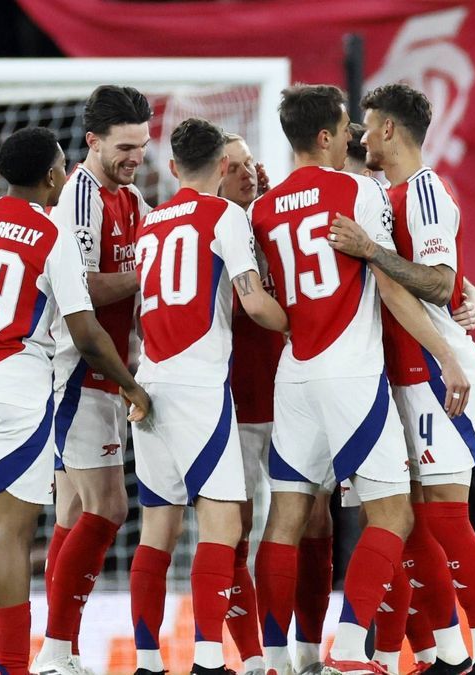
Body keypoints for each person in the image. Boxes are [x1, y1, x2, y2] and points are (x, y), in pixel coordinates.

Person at [248, 83, 460, 674]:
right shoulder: (359, 191)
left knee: (285, 517)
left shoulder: (262, 210)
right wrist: (445, 350)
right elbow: (392, 282)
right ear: (324, 136)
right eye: (346, 129)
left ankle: (273, 658)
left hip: (294, 374)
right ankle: (349, 647)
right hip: (350, 369)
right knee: (393, 514)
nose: (354, 138)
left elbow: (264, 296)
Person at [0, 127, 151, 675]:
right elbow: (88, 332)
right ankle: (13, 666)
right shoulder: (52, 235)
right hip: (18, 388)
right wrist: (130, 384)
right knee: (11, 532)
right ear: (52, 176)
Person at [329, 83, 475, 674]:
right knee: (401, 523)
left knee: (444, 517)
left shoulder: (425, 192)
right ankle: (446, 656)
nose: (359, 135)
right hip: (389, 373)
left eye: (367, 125)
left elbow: (437, 280)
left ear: (388, 131)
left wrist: (373, 250)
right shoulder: (385, 193)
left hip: (435, 370)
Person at [128, 118, 288, 675]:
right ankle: (206, 660)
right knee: (224, 529)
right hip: (200, 386)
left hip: (148, 382)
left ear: (173, 168)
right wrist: (307, 326)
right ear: (224, 167)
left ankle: (147, 662)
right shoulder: (225, 216)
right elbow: (253, 302)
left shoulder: (148, 225)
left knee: (156, 531)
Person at [36, 85, 153, 673]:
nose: (137, 157)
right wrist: (143, 273)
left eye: (143, 145)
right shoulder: (81, 196)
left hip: (103, 366)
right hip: (81, 367)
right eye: (126, 146)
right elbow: (79, 288)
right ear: (92, 142)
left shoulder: (130, 196)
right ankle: (55, 650)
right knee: (107, 507)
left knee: (72, 513)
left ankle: (60, 651)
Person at [218, 131, 280, 673]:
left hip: (288, 400)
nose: (248, 173)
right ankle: (253, 657)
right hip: (229, 408)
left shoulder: (275, 220)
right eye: (234, 165)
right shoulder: (202, 231)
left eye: (251, 164)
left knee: (304, 528)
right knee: (232, 534)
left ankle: (293, 650)